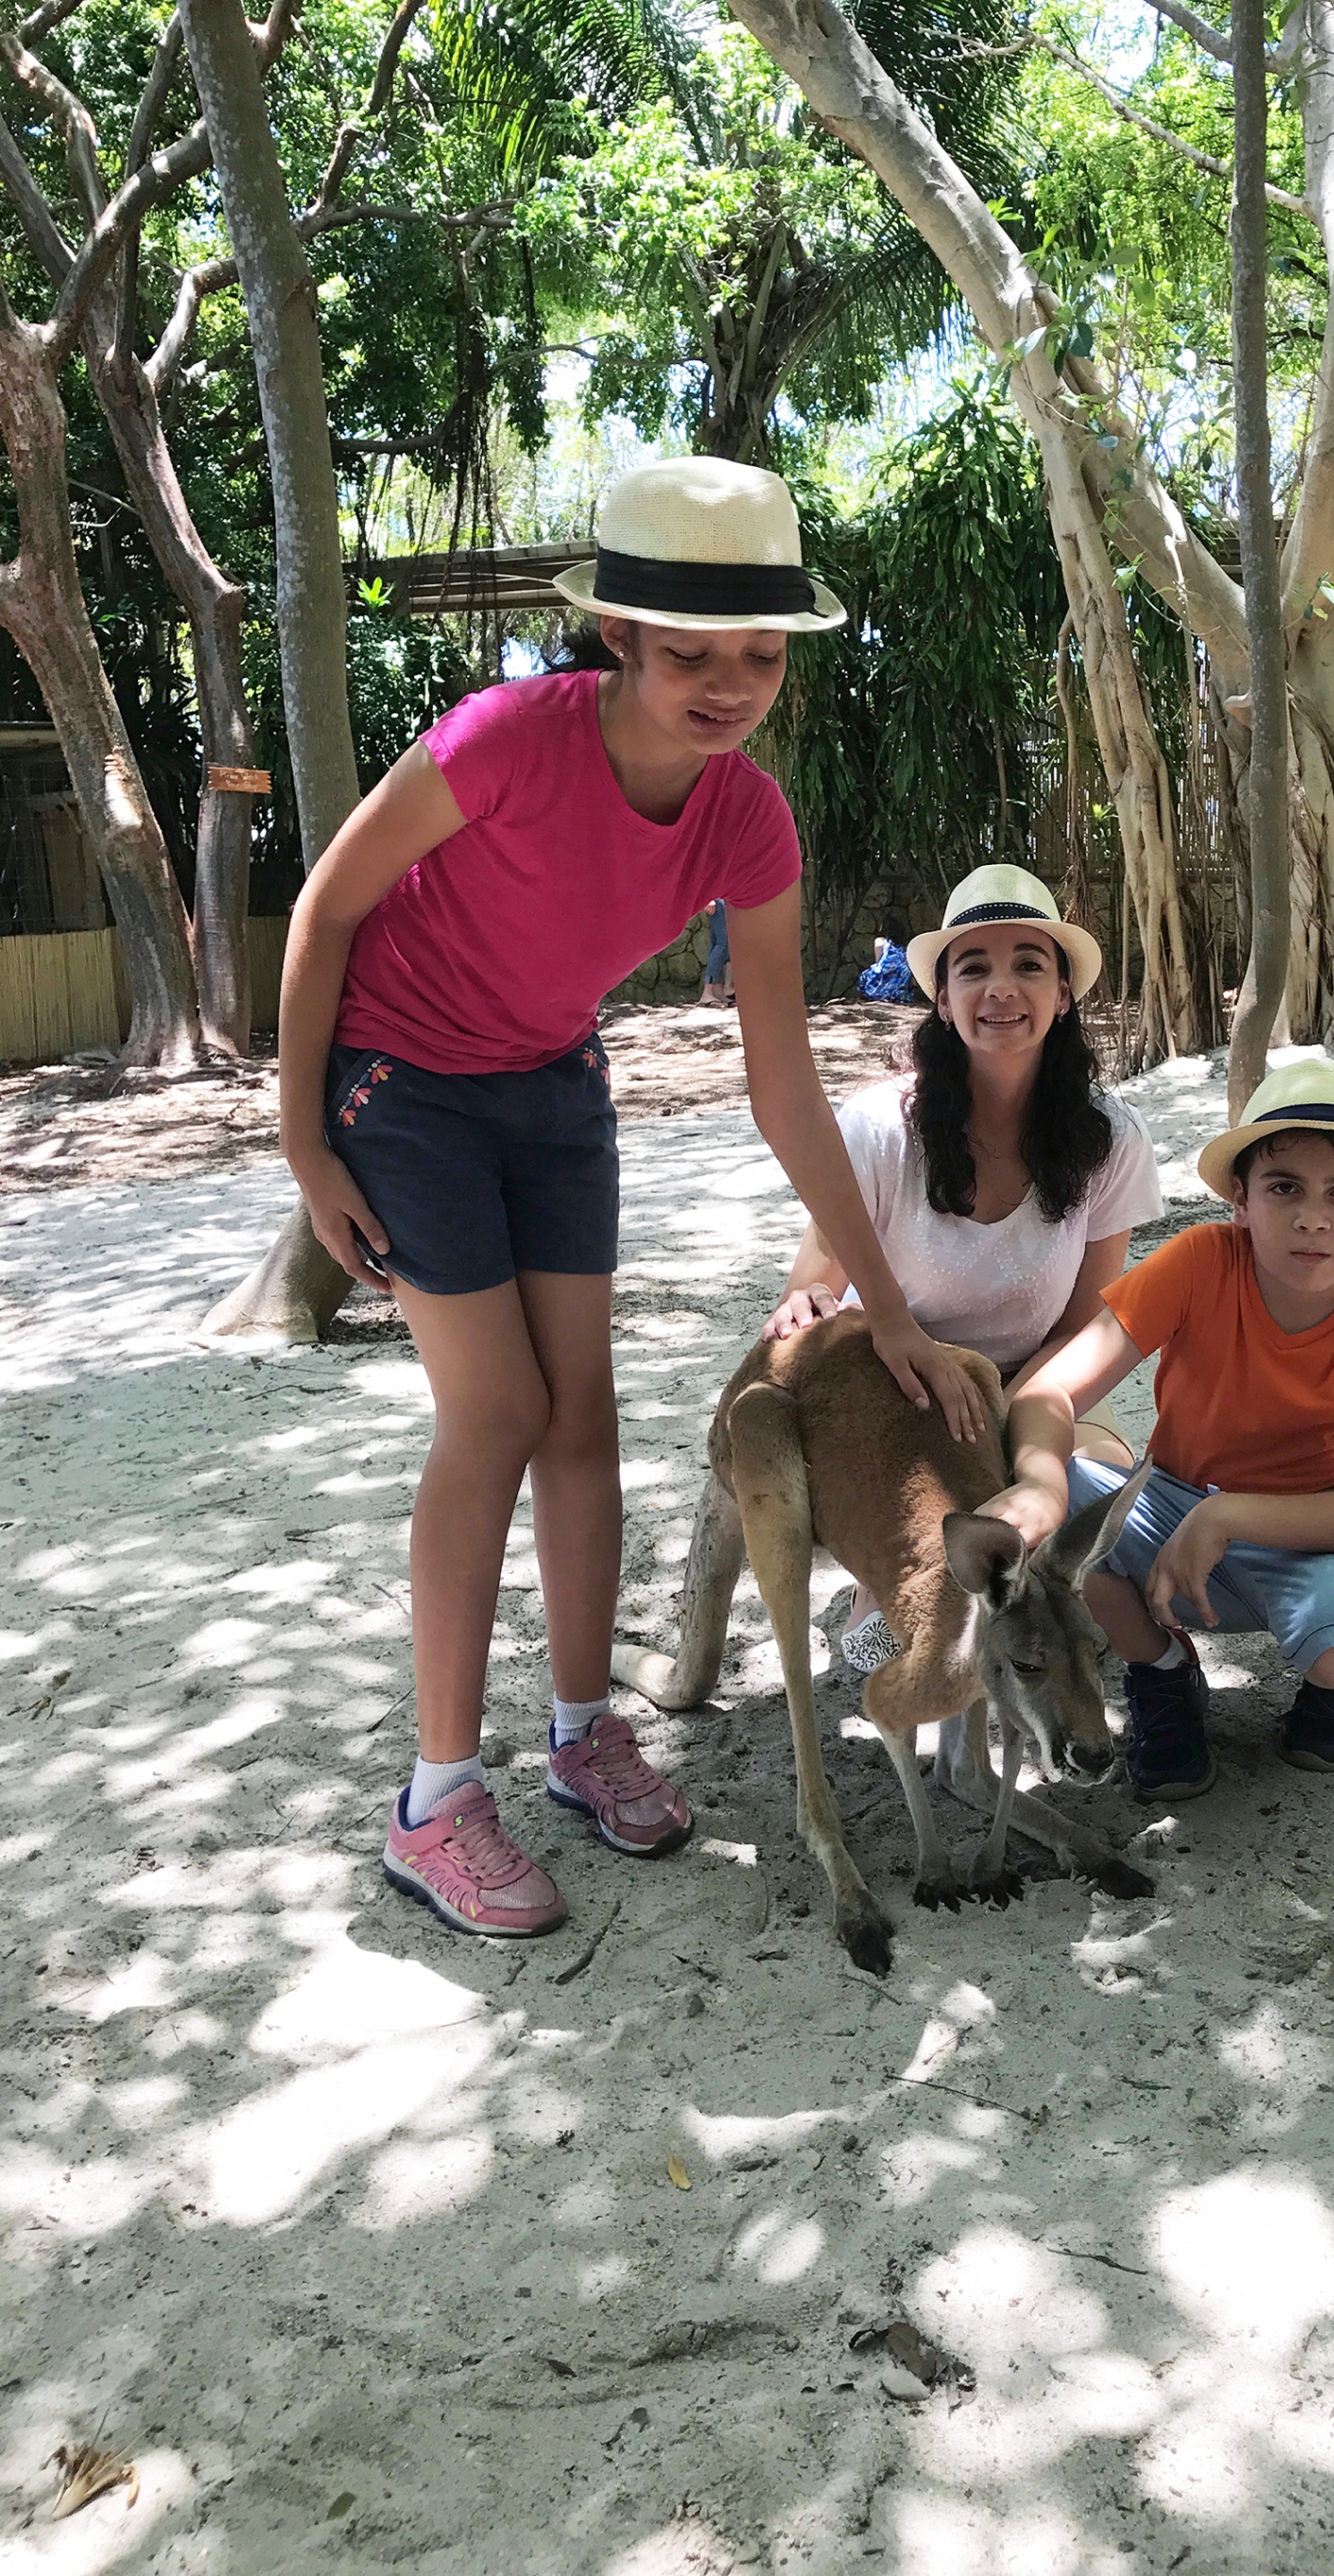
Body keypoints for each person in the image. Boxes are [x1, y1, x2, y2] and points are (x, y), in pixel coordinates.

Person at [276, 457, 984, 1940]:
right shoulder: (505, 741)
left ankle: (584, 1726)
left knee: (585, 1413)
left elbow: (786, 1088)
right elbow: (327, 904)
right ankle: (435, 1800)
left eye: (759, 651)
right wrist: (306, 1145)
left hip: (550, 1086)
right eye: (691, 651)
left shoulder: (751, 823)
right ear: (618, 638)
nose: (729, 682)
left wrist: (892, 1309)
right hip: (400, 1081)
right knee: (499, 1416)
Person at [990, 1059, 1334, 1798]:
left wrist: (1231, 1512)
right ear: (1240, 1196)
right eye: (1284, 1186)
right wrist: (1044, 1485)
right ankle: (1162, 1671)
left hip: (1318, 1533)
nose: (1312, 1216)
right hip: (1170, 1514)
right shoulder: (1199, 1261)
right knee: (1041, 1500)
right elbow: (1047, 1392)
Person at [763, 863, 1161, 1669]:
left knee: (1100, 1499)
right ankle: (893, 1595)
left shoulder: (1111, 1139)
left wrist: (1005, 1424)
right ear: (942, 998)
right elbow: (816, 1280)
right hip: (902, 1387)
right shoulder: (882, 1128)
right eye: (972, 968)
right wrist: (805, 1305)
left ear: (1064, 993)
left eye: (1028, 964)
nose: (1000, 989)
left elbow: (1087, 1325)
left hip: (1041, 1383)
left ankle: (1039, 1648)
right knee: (933, 1550)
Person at [855, 908, 914, 1003]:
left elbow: (879, 963)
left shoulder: (880, 941)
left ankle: (875, 994)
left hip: (885, 978)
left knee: (864, 976)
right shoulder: (903, 948)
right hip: (901, 984)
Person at [698, 896, 734, 1007]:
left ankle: (717, 991)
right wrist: (708, 898)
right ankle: (708, 991)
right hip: (718, 899)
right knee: (723, 944)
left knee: (720, 944)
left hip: (723, 898)